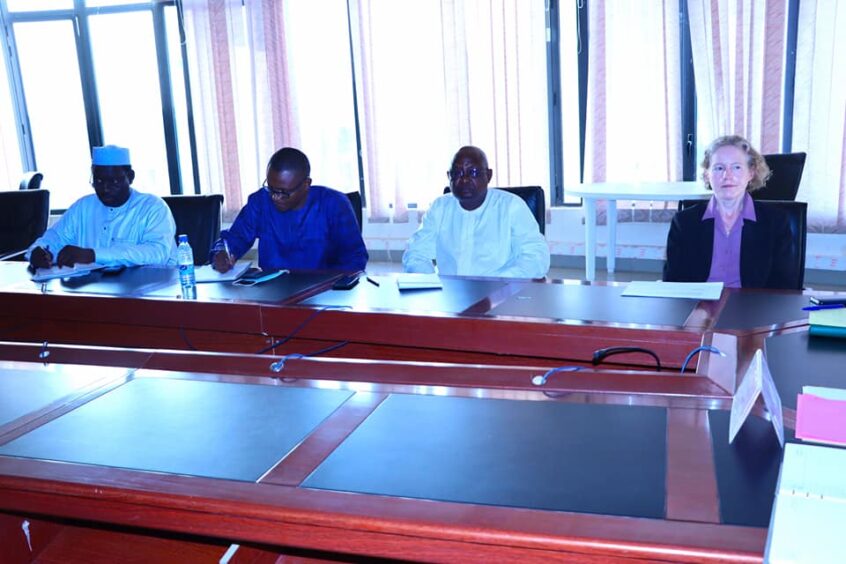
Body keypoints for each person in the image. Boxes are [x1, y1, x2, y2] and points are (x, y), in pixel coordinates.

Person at [663, 135, 798, 289]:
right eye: (719, 168)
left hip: (753, 307)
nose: (727, 176)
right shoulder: (684, 222)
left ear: (751, 173)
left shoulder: (776, 221)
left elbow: (784, 287)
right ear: (708, 175)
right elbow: (673, 284)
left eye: (736, 167)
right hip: (699, 307)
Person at [402, 145, 549, 278]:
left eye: (473, 172)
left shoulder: (511, 207)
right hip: (449, 296)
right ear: (449, 177)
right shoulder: (440, 207)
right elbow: (416, 253)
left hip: (501, 293)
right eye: (457, 173)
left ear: (488, 175)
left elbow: (536, 258)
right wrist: (430, 284)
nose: (464, 180)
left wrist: (498, 284)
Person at [211, 147, 367, 273]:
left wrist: (328, 284)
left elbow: (355, 258)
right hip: (272, 292)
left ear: (307, 184)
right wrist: (222, 252)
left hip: (324, 293)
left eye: (284, 193)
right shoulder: (260, 202)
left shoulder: (334, 204)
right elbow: (234, 238)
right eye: (271, 189)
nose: (275, 197)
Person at [27, 145, 176, 269]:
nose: (105, 188)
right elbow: (56, 237)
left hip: (149, 293)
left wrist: (92, 255)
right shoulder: (83, 207)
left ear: (130, 177)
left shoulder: (153, 207)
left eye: (114, 182)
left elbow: (157, 253)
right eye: (98, 181)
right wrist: (38, 252)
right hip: (95, 291)